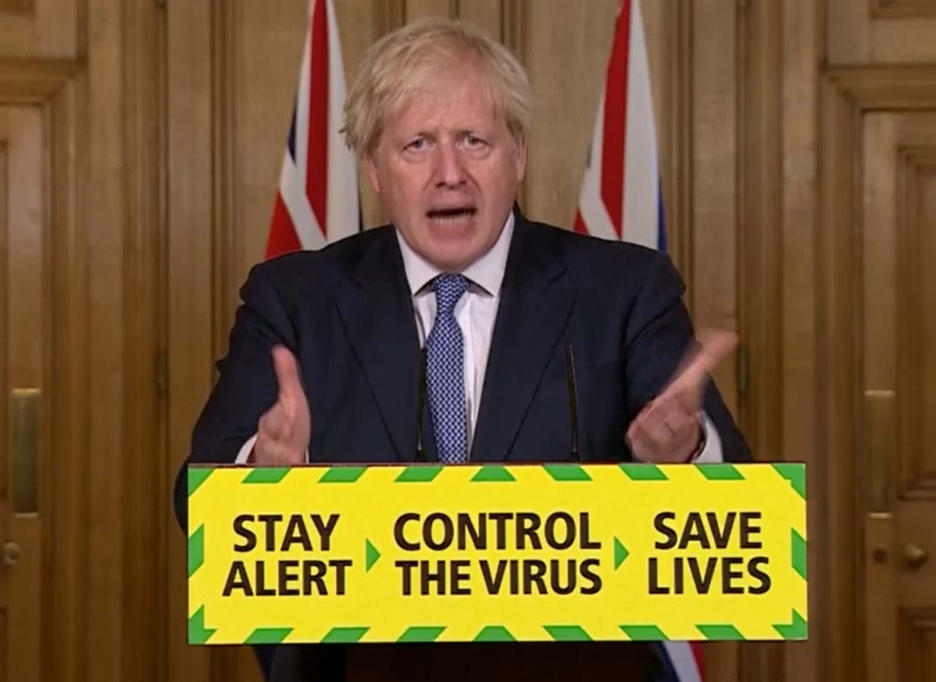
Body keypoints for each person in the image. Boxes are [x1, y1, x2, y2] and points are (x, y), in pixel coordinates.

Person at [173, 17, 749, 682]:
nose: (450, 174)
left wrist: (681, 454)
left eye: (474, 141)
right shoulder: (294, 300)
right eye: (417, 144)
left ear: (518, 156)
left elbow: (733, 514)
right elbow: (197, 504)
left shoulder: (622, 290)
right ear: (375, 170)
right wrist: (259, 482)